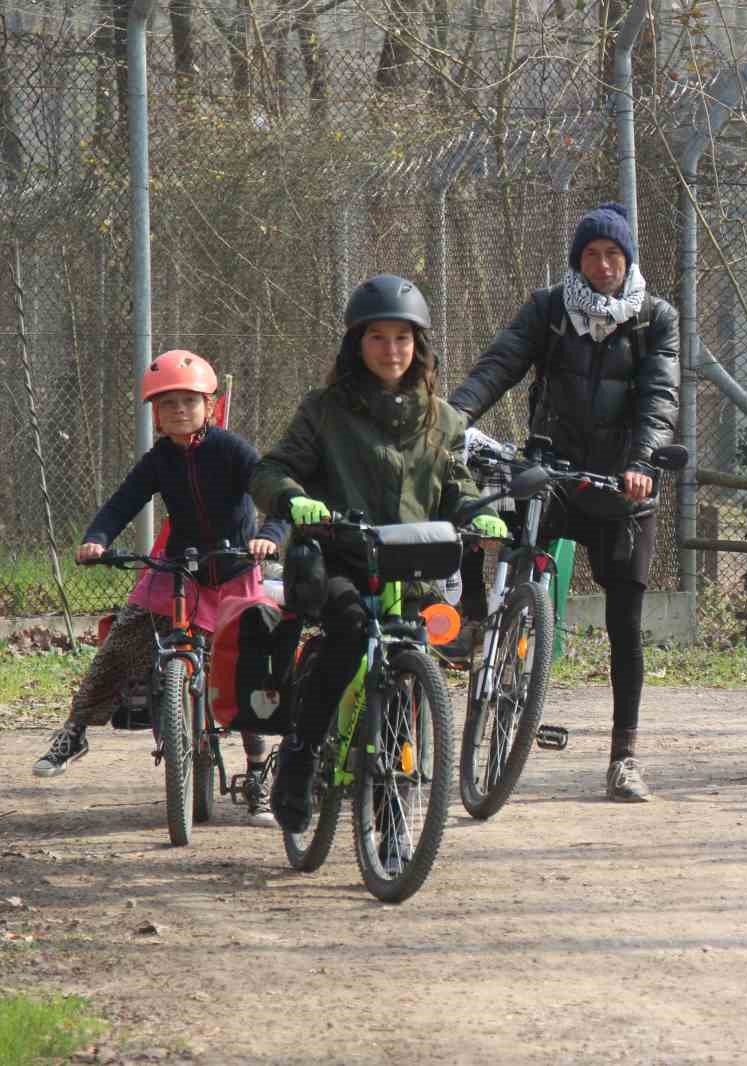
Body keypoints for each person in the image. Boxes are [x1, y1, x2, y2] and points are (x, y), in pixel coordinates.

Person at [251, 274, 505, 834]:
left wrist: (476, 512)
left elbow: (455, 484)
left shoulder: (441, 417)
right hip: (343, 560)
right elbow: (272, 469)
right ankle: (298, 756)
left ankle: (394, 815)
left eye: (402, 338)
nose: (391, 351)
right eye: (378, 338)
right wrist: (295, 501)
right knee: (345, 631)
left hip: (411, 569)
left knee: (412, 664)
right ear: (356, 344)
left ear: (419, 346)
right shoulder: (324, 410)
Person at [448, 201, 680, 803]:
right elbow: (499, 364)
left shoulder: (656, 318)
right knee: (490, 518)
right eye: (591, 254)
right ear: (576, 260)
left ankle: (624, 756)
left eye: (613, 254)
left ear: (628, 258)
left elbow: (659, 397)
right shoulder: (549, 309)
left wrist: (642, 463)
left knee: (624, 623)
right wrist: (451, 417)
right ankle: (483, 624)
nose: (602, 265)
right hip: (551, 470)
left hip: (620, 485)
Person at [33, 350, 283, 826]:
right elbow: (122, 503)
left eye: (189, 401)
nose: (178, 412)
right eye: (166, 405)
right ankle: (76, 731)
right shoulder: (158, 460)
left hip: (233, 567)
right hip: (180, 569)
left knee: (248, 667)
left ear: (210, 406)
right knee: (122, 641)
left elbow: (275, 494)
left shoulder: (233, 450)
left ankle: (256, 775)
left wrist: (268, 537)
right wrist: (96, 539)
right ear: (155, 415)